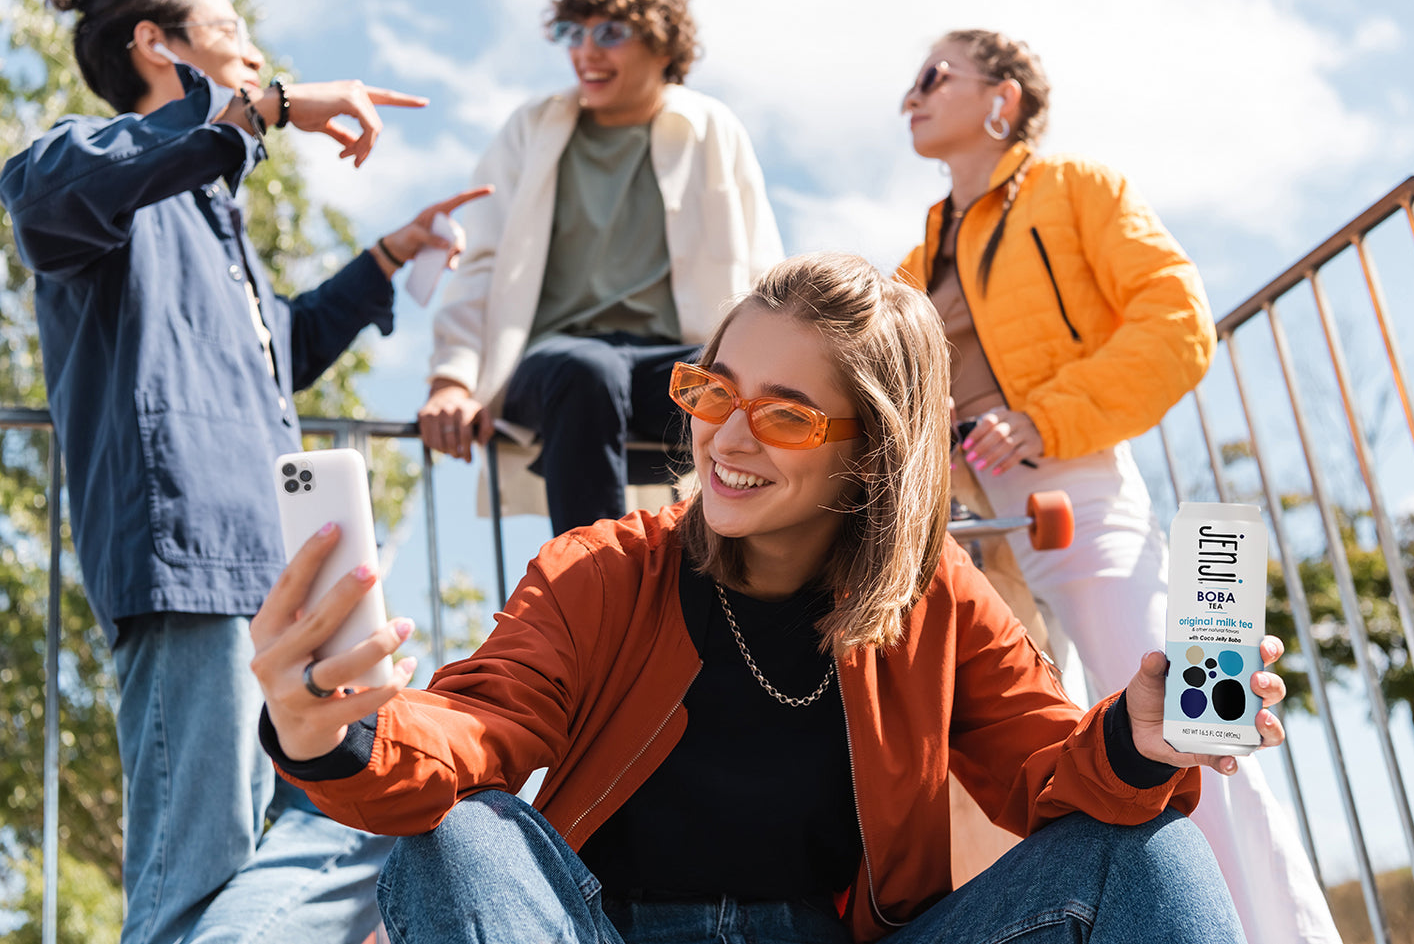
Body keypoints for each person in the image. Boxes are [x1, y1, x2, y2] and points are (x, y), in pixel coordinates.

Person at [251, 252, 1296, 944]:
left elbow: (1044, 770)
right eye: (713, 391)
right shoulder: (603, 565)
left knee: (1149, 849)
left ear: (871, 455)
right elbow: (474, 720)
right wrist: (332, 733)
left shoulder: (936, 598)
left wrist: (1139, 741)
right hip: (601, 929)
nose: (726, 437)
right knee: (461, 828)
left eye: (786, 415)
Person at [0, 0, 488, 944]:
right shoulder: (80, 172)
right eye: (229, 24)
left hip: (286, 578)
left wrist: (386, 258)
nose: (256, 43)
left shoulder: (218, 216)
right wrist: (259, 109)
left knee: (357, 816)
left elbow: (284, 353)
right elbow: (53, 193)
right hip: (191, 569)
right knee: (198, 866)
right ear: (156, 43)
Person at [896, 29, 1340, 944]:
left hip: (1067, 484)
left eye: (934, 76)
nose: (911, 94)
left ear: (1002, 99)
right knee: (1024, 752)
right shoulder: (918, 258)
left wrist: (1044, 417)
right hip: (956, 518)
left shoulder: (1075, 191)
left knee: (1191, 721)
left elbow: (1177, 322)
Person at [416, 0, 783, 535]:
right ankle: (595, 593)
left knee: (736, 389)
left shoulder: (712, 129)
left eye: (610, 33)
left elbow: (764, 271)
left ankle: (744, 587)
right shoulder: (530, 131)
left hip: (671, 361)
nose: (586, 51)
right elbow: (480, 261)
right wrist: (451, 380)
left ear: (663, 47)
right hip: (556, 362)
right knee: (587, 372)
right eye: (572, 32)